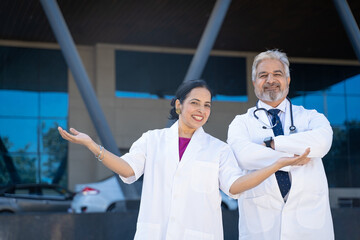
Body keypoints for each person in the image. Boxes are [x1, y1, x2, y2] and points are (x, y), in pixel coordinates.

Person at [59, 79, 310, 240]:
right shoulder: (152, 139)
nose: (201, 110)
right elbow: (127, 170)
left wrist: (276, 164)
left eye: (207, 105)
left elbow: (234, 186)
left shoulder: (218, 149)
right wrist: (93, 145)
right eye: (195, 103)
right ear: (179, 105)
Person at [227, 50, 334, 240]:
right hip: (261, 227)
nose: (270, 80)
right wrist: (291, 157)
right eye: (263, 75)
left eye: (277, 74)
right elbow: (244, 156)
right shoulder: (240, 123)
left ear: (288, 79)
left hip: (310, 227)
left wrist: (273, 143)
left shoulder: (311, 117)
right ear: (254, 83)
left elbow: (322, 143)